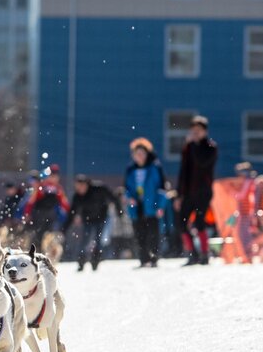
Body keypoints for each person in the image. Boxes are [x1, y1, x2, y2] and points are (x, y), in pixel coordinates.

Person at [176, 115, 218, 265]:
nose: (195, 133)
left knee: (200, 222)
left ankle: (204, 254)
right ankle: (192, 253)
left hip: (203, 191)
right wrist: (179, 194)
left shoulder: (210, 147)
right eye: (193, 130)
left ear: (205, 131)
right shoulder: (188, 148)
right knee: (182, 222)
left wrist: (194, 145)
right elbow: (183, 171)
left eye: (198, 130)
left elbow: (202, 162)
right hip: (188, 192)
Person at [125, 137, 166, 268]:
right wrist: (129, 198)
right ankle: (143, 259)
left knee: (153, 233)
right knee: (139, 233)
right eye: (137, 154)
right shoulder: (130, 169)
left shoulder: (155, 167)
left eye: (142, 153)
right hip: (137, 206)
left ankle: (154, 258)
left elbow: (162, 188)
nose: (140, 156)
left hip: (152, 205)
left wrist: (160, 206)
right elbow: (126, 188)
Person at [63, 174, 115, 271]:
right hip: (88, 220)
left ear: (86, 184)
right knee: (85, 241)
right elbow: (72, 213)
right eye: (78, 187)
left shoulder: (98, 189)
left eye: (81, 186)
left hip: (101, 218)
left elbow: (111, 196)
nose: (80, 189)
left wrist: (118, 208)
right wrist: (64, 228)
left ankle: (95, 262)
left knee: (98, 241)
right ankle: (81, 263)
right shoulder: (77, 196)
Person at [23, 164, 70, 246]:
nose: (53, 178)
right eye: (51, 176)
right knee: (39, 233)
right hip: (39, 214)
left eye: (55, 176)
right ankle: (36, 247)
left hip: (50, 215)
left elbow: (64, 202)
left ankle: (45, 247)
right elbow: (31, 201)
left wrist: (69, 212)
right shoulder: (42, 186)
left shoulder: (57, 188)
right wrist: (27, 213)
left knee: (49, 234)